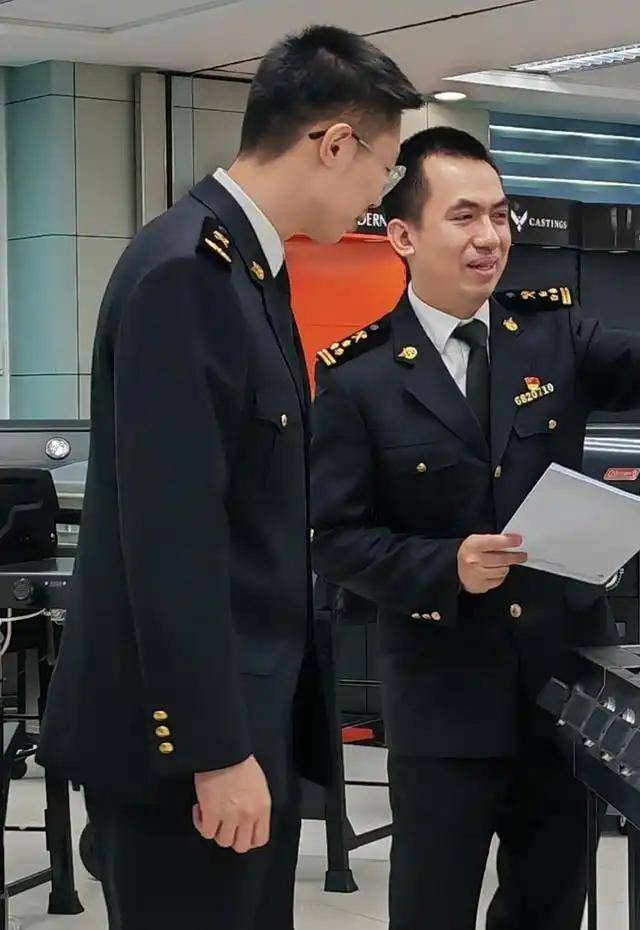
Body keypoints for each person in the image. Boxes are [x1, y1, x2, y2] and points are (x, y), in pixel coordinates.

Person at [309, 126, 640, 930]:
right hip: (443, 697)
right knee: (432, 907)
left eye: (499, 215)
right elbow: (333, 538)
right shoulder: (359, 379)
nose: (490, 237)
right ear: (403, 235)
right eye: (463, 217)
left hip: (563, 684)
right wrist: (444, 565)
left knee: (552, 904)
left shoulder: (549, 334)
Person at [37, 25, 422, 930]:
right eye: (385, 167)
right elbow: (172, 538)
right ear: (335, 144)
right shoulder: (188, 274)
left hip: (244, 722)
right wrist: (212, 751)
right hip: (189, 750)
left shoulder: (248, 269)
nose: (380, 195)